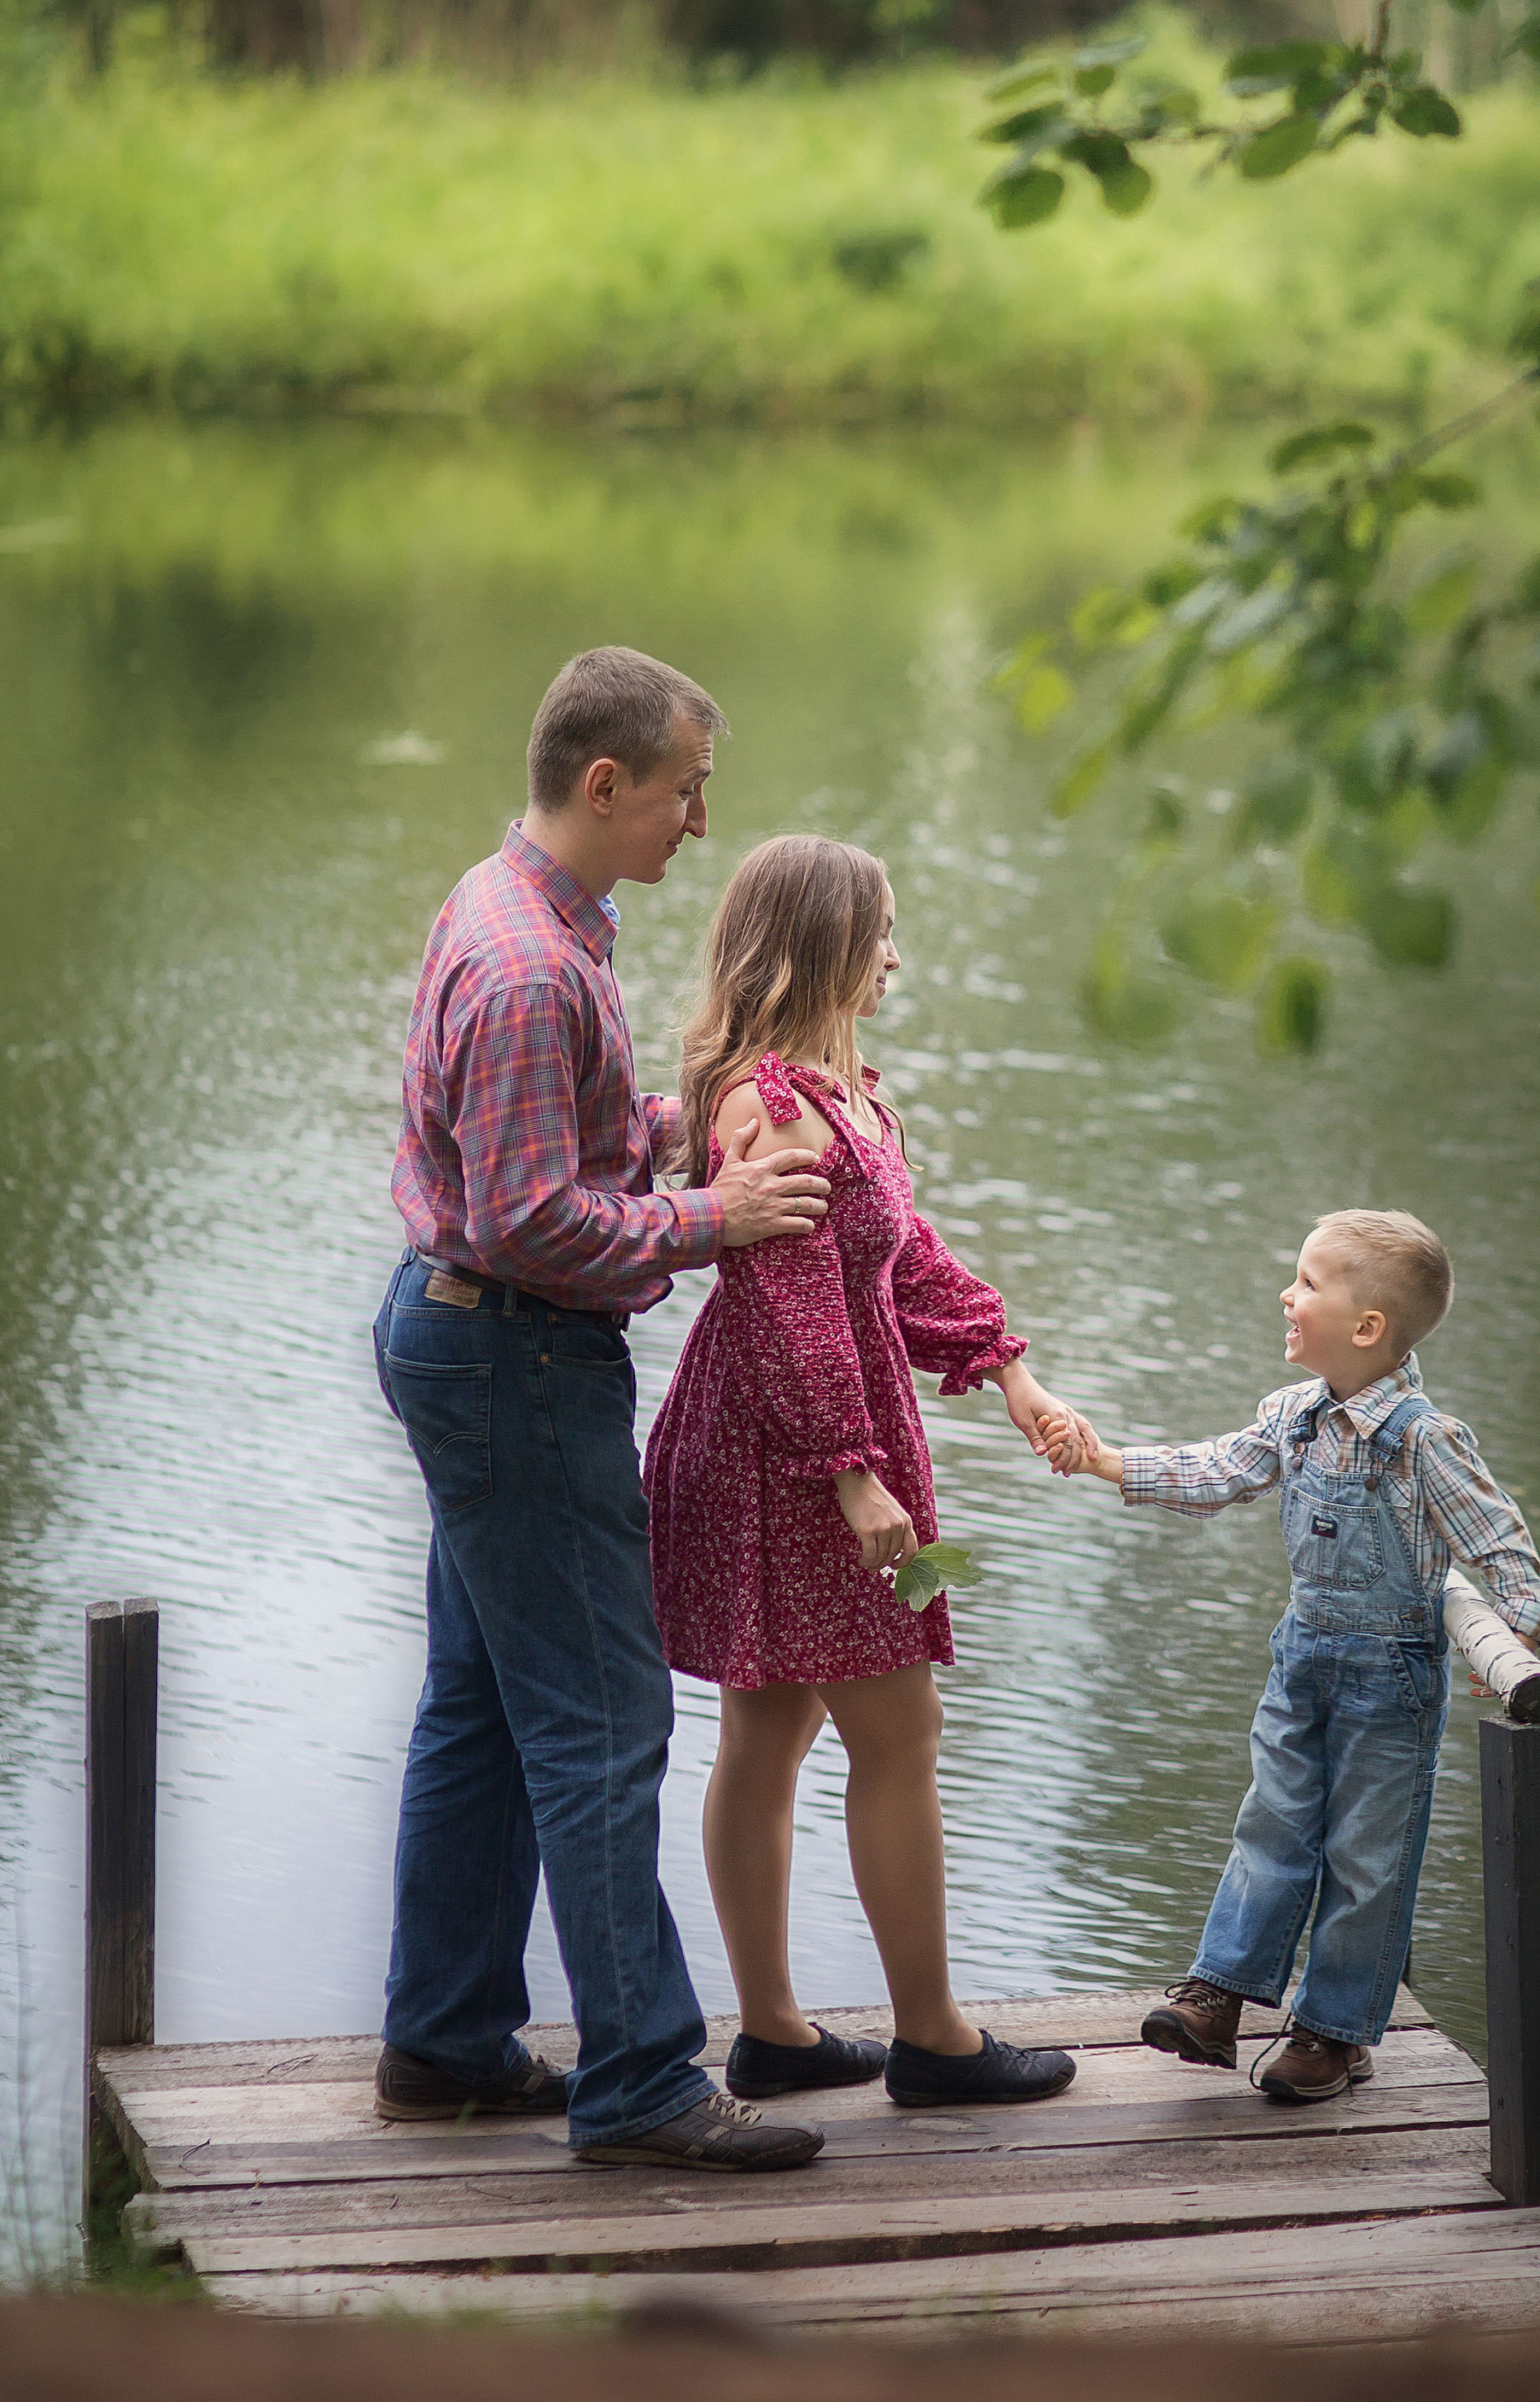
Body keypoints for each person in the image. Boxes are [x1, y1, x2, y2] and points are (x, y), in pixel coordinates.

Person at [371, 646, 838, 2174]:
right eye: (689, 788)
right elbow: (527, 1221)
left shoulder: (529, 906)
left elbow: (562, 1140)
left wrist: (691, 1123)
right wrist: (717, 1214)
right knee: (603, 1722)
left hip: (470, 1341)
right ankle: (640, 2079)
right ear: (606, 783)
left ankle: (443, 2039)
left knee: (484, 1705)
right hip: (511, 1350)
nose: (701, 821)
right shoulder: (526, 965)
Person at [645, 833, 1089, 2110]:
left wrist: (1010, 1367)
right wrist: (852, 1472)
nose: (894, 956)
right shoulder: (772, 1108)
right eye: (881, 931)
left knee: (769, 1725)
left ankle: (777, 2034)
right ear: (825, 942)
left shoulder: (839, 1099)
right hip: (794, 1448)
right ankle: (936, 2039)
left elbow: (900, 1263)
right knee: (899, 1730)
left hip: (809, 1433)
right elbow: (792, 1311)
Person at [1043, 1208, 1540, 2103]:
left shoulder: (1424, 1439)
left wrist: (1511, 1632)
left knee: (1366, 1857)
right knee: (1272, 1821)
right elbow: (1213, 1470)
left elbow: (1504, 1545)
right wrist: (1104, 1460)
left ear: (1367, 1328)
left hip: (1391, 1676)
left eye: (1308, 1282)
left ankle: (1333, 2029)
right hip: (1301, 1657)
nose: (1287, 1292)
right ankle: (1220, 1995)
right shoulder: (1294, 1417)